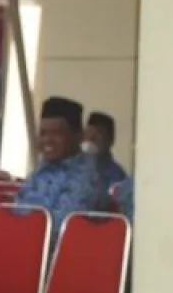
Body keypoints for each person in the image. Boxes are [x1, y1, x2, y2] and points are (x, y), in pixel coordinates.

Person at [15, 96, 109, 232]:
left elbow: (59, 229)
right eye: (43, 133)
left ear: (78, 136)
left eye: (56, 133)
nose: (47, 140)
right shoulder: (41, 170)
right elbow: (16, 211)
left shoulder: (86, 179)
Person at [83, 111, 128, 188]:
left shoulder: (116, 175)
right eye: (89, 131)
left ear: (110, 140)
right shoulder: (72, 166)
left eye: (99, 132)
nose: (92, 137)